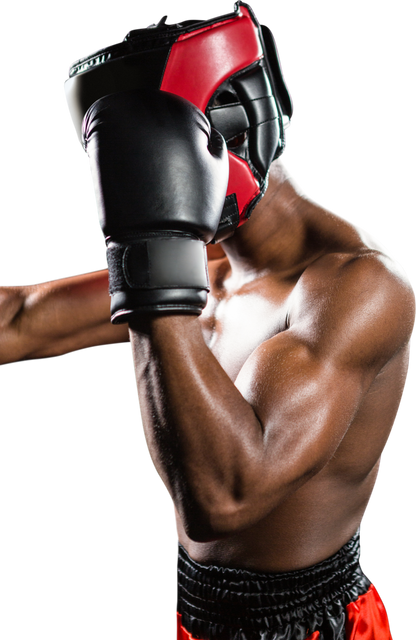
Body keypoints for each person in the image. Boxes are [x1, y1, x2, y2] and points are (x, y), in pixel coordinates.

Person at [1, 2, 414, 638]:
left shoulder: (358, 287)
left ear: (235, 126)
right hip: (194, 614)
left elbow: (225, 501)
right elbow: (23, 319)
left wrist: (152, 259)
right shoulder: (206, 267)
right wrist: (152, 257)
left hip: (313, 628)